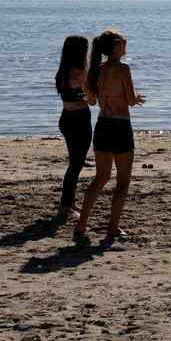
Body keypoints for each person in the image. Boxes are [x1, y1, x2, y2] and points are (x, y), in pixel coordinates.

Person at [75, 29, 145, 237]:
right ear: (115, 45)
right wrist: (135, 97)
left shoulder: (97, 69)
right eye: (122, 40)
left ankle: (81, 223)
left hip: (102, 125)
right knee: (123, 180)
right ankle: (112, 227)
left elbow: (92, 100)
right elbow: (130, 101)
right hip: (120, 126)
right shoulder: (122, 69)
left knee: (100, 177)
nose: (126, 42)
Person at [55, 35, 95, 218]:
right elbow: (93, 101)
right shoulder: (81, 72)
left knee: (74, 162)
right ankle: (65, 205)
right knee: (76, 164)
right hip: (79, 119)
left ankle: (70, 202)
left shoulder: (62, 71)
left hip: (66, 118)